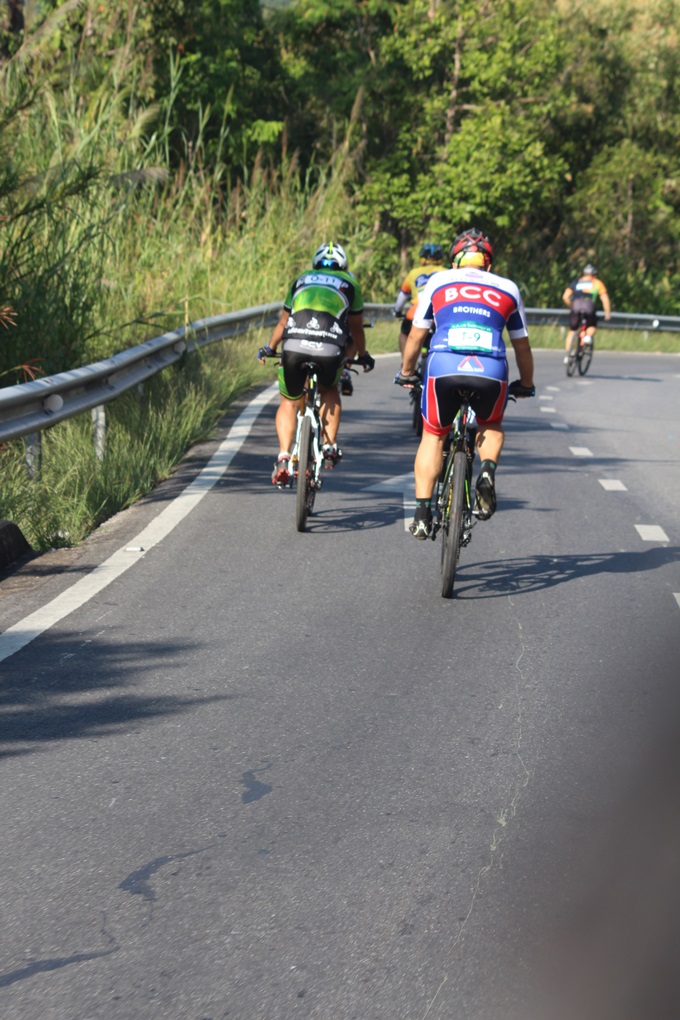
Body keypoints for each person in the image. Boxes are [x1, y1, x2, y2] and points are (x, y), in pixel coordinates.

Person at [396, 228, 534, 539]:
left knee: (434, 434)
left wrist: (406, 371)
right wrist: (526, 383)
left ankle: (422, 513)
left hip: (443, 364)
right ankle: (486, 471)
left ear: (454, 262)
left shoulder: (439, 281)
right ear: (489, 264)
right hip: (490, 368)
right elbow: (522, 346)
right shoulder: (508, 288)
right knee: (490, 425)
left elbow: (416, 336)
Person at [258, 242, 374, 485]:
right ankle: (330, 445)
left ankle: (283, 456)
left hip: (294, 345)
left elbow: (283, 322)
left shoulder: (301, 278)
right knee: (329, 389)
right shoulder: (349, 283)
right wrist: (363, 354)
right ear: (343, 265)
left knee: (289, 401)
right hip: (329, 348)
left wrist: (270, 348)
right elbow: (356, 327)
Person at [392, 244, 447, 356]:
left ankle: (405, 362)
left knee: (404, 334)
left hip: (416, 314)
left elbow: (402, 297)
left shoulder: (413, 273)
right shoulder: (447, 272)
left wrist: (397, 311)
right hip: (439, 315)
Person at [562, 263, 611, 363]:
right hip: (589, 307)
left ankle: (568, 355)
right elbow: (605, 299)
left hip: (576, 307)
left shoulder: (576, 282)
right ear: (594, 274)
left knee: (572, 330)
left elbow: (565, 296)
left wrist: (571, 306)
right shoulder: (597, 283)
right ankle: (588, 337)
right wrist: (607, 314)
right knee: (592, 325)